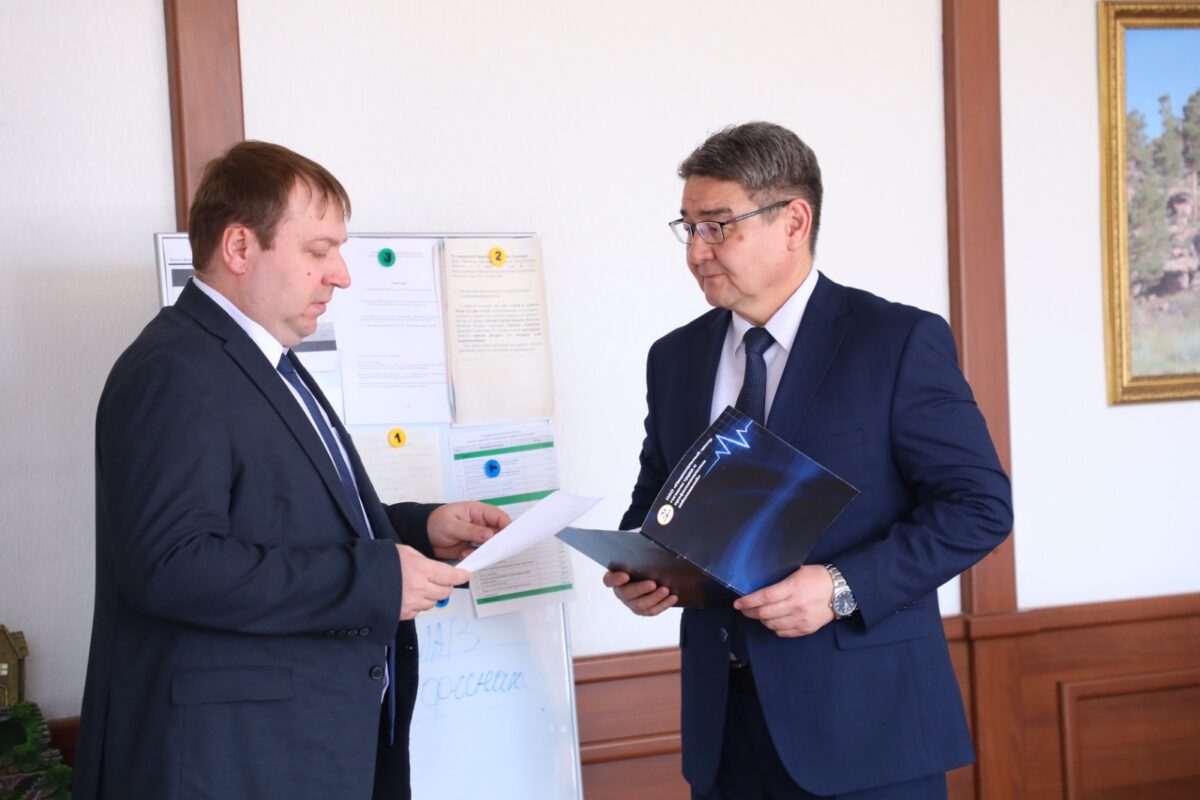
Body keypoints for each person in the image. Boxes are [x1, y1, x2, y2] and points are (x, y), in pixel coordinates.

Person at [75, 140, 508, 800]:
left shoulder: (263, 360)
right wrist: (373, 579)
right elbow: (170, 565)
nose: (342, 275)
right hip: (229, 764)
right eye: (318, 251)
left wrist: (418, 531)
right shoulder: (174, 370)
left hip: (299, 750)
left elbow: (280, 522)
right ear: (240, 247)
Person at [604, 122, 1013, 799]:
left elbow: (979, 509)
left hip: (867, 730)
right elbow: (656, 501)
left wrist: (839, 586)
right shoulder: (674, 358)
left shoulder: (896, 341)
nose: (697, 251)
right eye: (689, 227)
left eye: (718, 226)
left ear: (794, 221)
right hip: (723, 732)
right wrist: (644, 570)